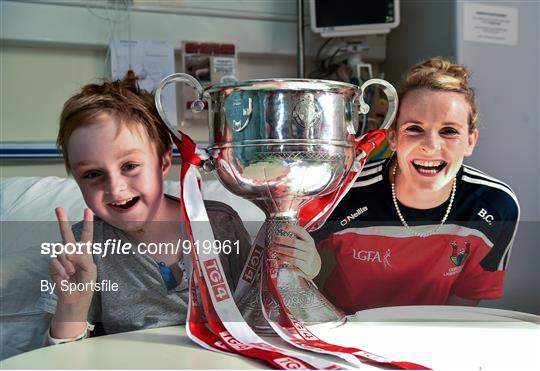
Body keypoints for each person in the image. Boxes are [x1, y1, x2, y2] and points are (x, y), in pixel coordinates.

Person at [39, 76, 318, 344]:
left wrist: (300, 271)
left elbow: (261, 304)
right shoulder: (83, 249)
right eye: (92, 175)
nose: (115, 188)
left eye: (129, 166)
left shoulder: (218, 223)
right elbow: (59, 361)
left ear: (162, 163)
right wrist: (72, 309)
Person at [312, 57, 520, 314]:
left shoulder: (497, 205)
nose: (431, 146)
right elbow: (291, 270)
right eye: (414, 129)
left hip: (432, 339)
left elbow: (465, 304)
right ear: (392, 137)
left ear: (470, 140)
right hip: (341, 332)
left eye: (449, 131)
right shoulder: (345, 190)